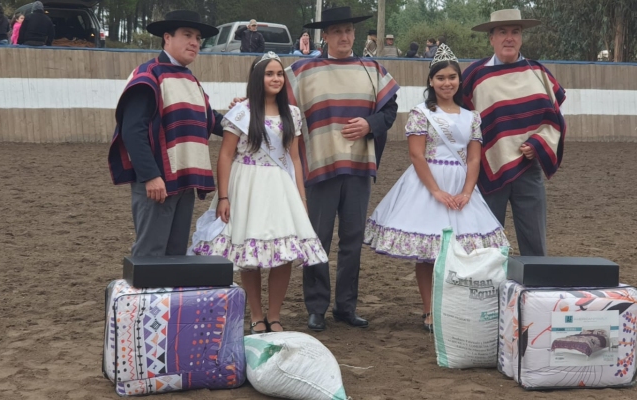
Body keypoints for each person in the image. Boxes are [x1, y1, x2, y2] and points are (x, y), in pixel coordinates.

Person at [364, 44, 509, 331]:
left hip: (461, 186)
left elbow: (474, 157)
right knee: (429, 253)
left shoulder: (471, 117)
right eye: (441, 77)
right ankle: (429, 310)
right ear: (431, 81)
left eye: (452, 77)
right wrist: (435, 191)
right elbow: (416, 155)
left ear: (459, 81)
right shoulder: (421, 113)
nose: (447, 83)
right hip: (428, 185)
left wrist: (467, 191)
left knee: (464, 251)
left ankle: (455, 308)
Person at [193, 52, 329, 335]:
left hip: (280, 189)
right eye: (269, 74)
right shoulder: (241, 112)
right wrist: (224, 196)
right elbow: (225, 155)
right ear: (258, 78)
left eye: (279, 74)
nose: (276, 78)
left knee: (284, 253)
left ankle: (275, 315)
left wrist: (302, 199)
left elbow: (294, 158)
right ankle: (256, 315)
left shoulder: (291, 113)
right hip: (247, 186)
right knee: (248, 252)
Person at [287, 7, 400, 332]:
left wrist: (370, 123)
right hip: (318, 167)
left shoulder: (372, 68)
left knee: (352, 240)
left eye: (349, 30)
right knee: (318, 238)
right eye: (337, 31)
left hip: (359, 168)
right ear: (325, 36)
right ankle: (316, 307)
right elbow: (276, 99)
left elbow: (390, 109)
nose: (345, 37)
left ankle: (346, 307)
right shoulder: (302, 70)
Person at [107, 10, 225, 257]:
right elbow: (132, 130)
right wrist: (150, 175)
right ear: (167, 38)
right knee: (150, 253)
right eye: (188, 35)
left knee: (175, 254)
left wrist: (247, 119)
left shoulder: (190, 79)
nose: (195, 42)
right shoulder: (148, 75)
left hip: (184, 182)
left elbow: (210, 120)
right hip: (158, 182)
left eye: (198, 37)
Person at [462, 9, 566, 256]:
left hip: (528, 170)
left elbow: (554, 121)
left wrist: (538, 143)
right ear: (491, 38)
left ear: (521, 37)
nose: (509, 38)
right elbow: (460, 118)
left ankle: (535, 294)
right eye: (502, 32)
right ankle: (487, 291)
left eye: (515, 32)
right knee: (486, 244)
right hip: (487, 170)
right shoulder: (474, 76)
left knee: (535, 243)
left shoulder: (538, 74)